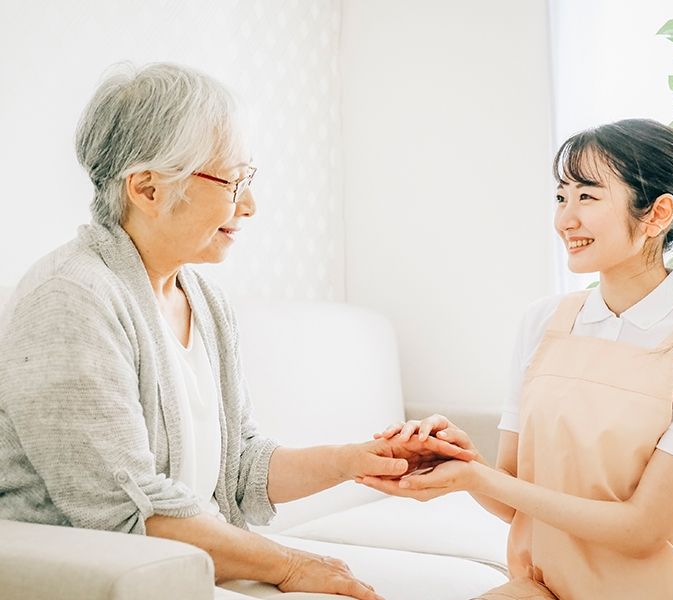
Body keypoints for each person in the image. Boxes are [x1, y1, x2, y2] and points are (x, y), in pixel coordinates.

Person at [0, 62, 471, 600]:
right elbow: (128, 513)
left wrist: (357, 460)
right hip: (106, 576)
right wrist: (291, 567)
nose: (249, 205)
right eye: (232, 181)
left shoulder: (202, 297)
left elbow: (239, 467)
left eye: (250, 178)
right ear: (148, 188)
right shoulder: (70, 300)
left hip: (191, 563)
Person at [366, 119, 673, 599]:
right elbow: (515, 503)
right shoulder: (544, 322)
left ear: (657, 214)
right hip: (547, 586)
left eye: (588, 197)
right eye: (561, 197)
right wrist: (463, 460)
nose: (565, 219)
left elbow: (642, 530)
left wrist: (478, 476)